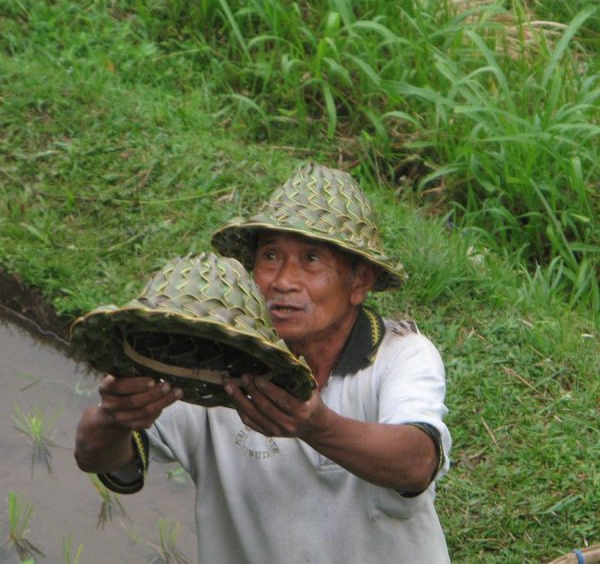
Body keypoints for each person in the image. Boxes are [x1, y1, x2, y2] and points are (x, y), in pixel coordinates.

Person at [75, 163, 452, 563]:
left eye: (311, 259)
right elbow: (96, 456)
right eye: (271, 256)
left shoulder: (400, 355)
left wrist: (317, 427)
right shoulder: (211, 363)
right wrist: (115, 418)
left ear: (359, 281)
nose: (283, 280)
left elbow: (417, 463)